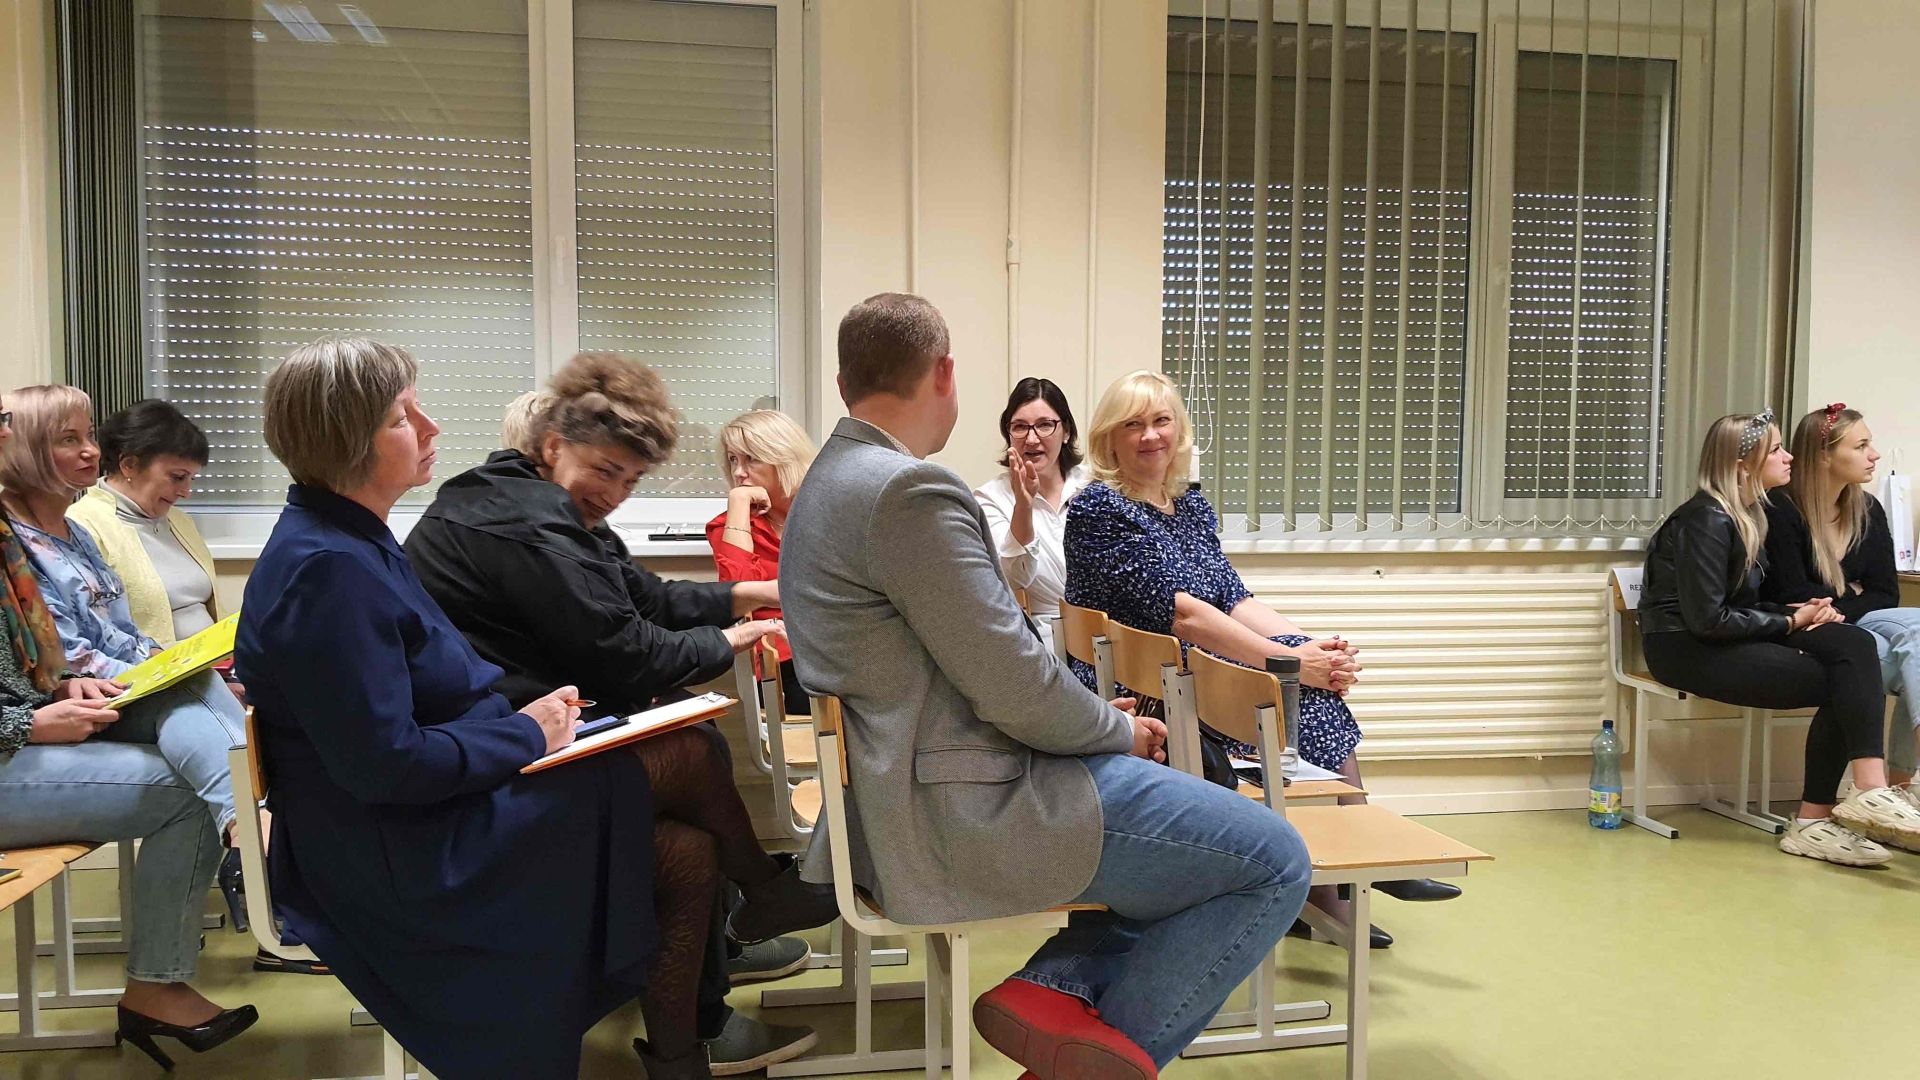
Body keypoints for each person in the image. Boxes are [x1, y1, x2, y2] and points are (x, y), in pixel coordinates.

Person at [780, 293, 1312, 1080]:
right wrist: (1117, 729)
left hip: (903, 791)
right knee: (1275, 858)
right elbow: (1015, 686)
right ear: (945, 373)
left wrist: (1094, 721)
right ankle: (1089, 1059)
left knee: (1197, 832)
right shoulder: (908, 492)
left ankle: (1056, 988)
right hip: (966, 805)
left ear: (841, 382)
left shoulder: (826, 482)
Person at [396, 349, 826, 1075]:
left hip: (513, 732)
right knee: (695, 749)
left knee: (688, 844)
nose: (615, 495)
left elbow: (642, 595)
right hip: (484, 765)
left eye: (630, 480)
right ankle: (762, 892)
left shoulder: (539, 502)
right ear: (553, 446)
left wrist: (743, 596)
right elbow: (625, 653)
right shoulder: (529, 524)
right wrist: (727, 639)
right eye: (604, 471)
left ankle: (684, 1049)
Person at [1060, 370, 1453, 949]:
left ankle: (1339, 868)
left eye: (1161, 421)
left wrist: (1311, 648)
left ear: (1178, 429)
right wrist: (1290, 664)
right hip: (1145, 686)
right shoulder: (1099, 509)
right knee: (1293, 688)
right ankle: (1344, 869)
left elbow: (1234, 599)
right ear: (1109, 439)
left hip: (1190, 670)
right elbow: (1183, 614)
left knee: (1304, 681)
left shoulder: (1189, 507)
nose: (1150, 435)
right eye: (1133, 425)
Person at [0, 386, 256, 1068]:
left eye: (89, 435)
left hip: (64, 719)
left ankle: (249, 829)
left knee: (189, 692)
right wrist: (29, 723)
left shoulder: (75, 535)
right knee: (188, 789)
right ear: (18, 447)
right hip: (15, 748)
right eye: (68, 439)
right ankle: (252, 835)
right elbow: (54, 670)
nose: (92, 451)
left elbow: (108, 638)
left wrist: (166, 662)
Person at [1639, 409, 1920, 867]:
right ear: (1742, 465)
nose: (1789, 456)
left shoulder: (1749, 513)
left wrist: (1802, 613)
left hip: (1733, 634)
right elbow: (1707, 620)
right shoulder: (1706, 519)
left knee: (1853, 645)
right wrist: (1791, 622)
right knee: (1841, 679)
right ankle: (1826, 814)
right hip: (1686, 650)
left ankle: (1859, 796)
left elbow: (1751, 602)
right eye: (1775, 450)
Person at [1763, 404, 1920, 800]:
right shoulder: (1782, 508)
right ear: (1823, 457)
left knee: (1917, 635)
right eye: (1861, 446)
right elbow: (1790, 594)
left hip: (1847, 622)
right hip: (1804, 629)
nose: (1875, 455)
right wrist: (1850, 594)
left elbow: (1885, 593)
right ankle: (1902, 788)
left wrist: (1839, 605)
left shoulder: (1868, 509)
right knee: (1916, 650)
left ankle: (1900, 795)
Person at [66, 399, 221, 647]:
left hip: (214, 658)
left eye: (191, 479)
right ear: (129, 464)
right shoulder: (81, 527)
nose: (186, 492)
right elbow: (93, 634)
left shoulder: (179, 520)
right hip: (154, 665)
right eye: (177, 477)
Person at [706, 409, 816, 716]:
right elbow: (738, 593)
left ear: (783, 458)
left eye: (751, 459)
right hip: (783, 662)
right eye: (733, 460)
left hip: (839, 649)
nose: (739, 472)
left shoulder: (822, 511)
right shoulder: (728, 525)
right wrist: (739, 501)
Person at [972, 377, 1091, 651]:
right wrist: (1023, 507)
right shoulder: (990, 497)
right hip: (1045, 642)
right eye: (1020, 427)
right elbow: (1015, 578)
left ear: (1066, 431)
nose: (1032, 438)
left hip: (1113, 634)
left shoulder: (1095, 486)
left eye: (1045, 425)